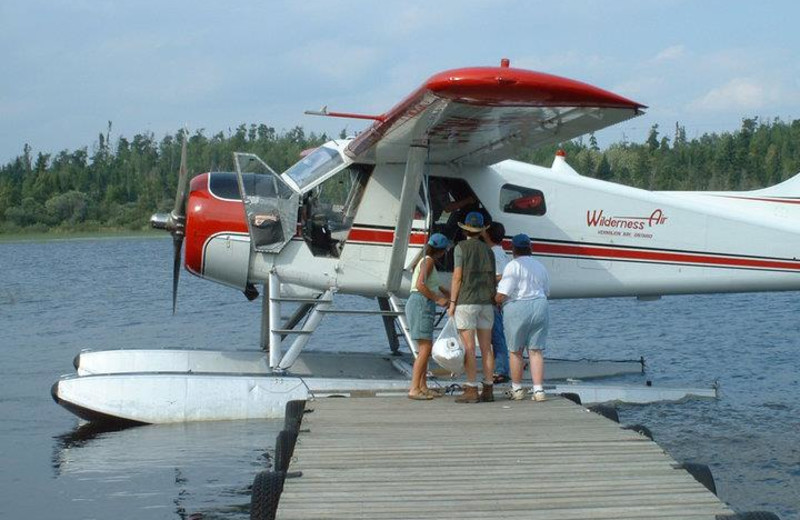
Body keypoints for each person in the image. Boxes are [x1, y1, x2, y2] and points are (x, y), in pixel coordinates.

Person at [495, 233, 551, 402]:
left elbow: (503, 294)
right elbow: (547, 291)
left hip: (518, 307)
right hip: (540, 306)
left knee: (515, 350)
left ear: (513, 249)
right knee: (535, 350)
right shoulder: (540, 266)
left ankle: (517, 388)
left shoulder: (512, 266)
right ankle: (539, 390)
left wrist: (494, 300)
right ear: (530, 248)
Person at [448, 211, 496, 403]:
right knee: (486, 348)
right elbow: (492, 278)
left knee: (469, 347)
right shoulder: (489, 251)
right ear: (481, 230)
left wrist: (452, 303)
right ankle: (489, 388)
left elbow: (457, 277)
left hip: (466, 301)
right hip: (486, 303)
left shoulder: (460, 248)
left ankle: (471, 389)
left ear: (465, 228)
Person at [406, 233, 452, 400]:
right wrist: (439, 299)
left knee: (424, 347)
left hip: (420, 302)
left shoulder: (425, 260)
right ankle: (414, 388)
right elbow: (420, 285)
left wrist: (446, 292)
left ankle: (423, 386)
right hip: (421, 303)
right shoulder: (429, 261)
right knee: (425, 349)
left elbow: (432, 283)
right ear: (442, 251)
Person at [482, 221, 510, 384]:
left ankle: (501, 371)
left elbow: (501, 276)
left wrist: (483, 279)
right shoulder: (501, 253)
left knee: (496, 336)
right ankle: (500, 368)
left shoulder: (493, 253)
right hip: (498, 300)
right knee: (495, 336)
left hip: (494, 300)